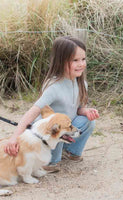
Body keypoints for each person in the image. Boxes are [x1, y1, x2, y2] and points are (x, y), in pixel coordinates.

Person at [4, 36, 99, 171]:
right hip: (51, 131)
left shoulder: (81, 83)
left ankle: (71, 151)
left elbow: (77, 108)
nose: (81, 64)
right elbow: (33, 112)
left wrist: (85, 111)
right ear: (61, 61)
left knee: (88, 121)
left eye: (83, 59)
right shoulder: (54, 86)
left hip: (65, 127)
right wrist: (14, 138)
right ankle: (48, 157)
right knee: (51, 163)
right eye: (75, 60)